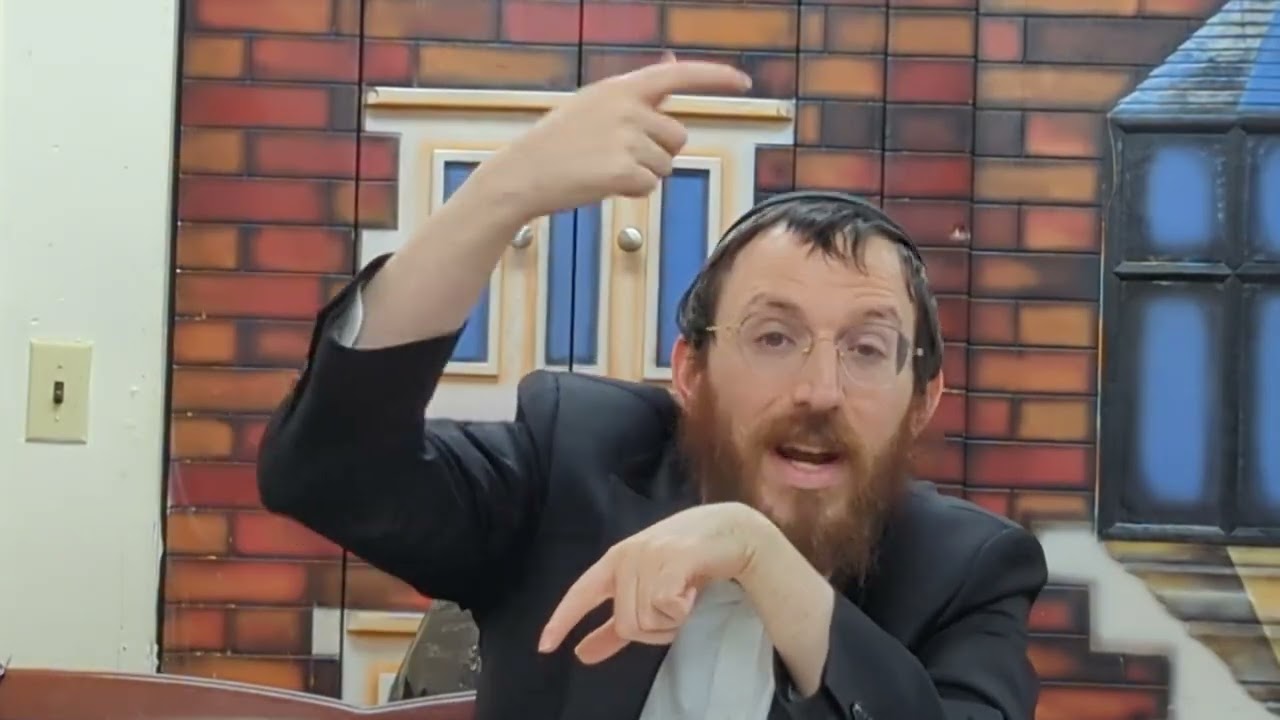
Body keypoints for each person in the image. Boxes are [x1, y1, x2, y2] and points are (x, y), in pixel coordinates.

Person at [257, 55, 1047, 720]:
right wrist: (503, 192)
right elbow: (330, 471)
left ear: (923, 401)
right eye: (774, 338)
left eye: (868, 349)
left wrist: (760, 556)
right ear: (690, 373)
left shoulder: (967, 571)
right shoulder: (576, 463)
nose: (820, 390)